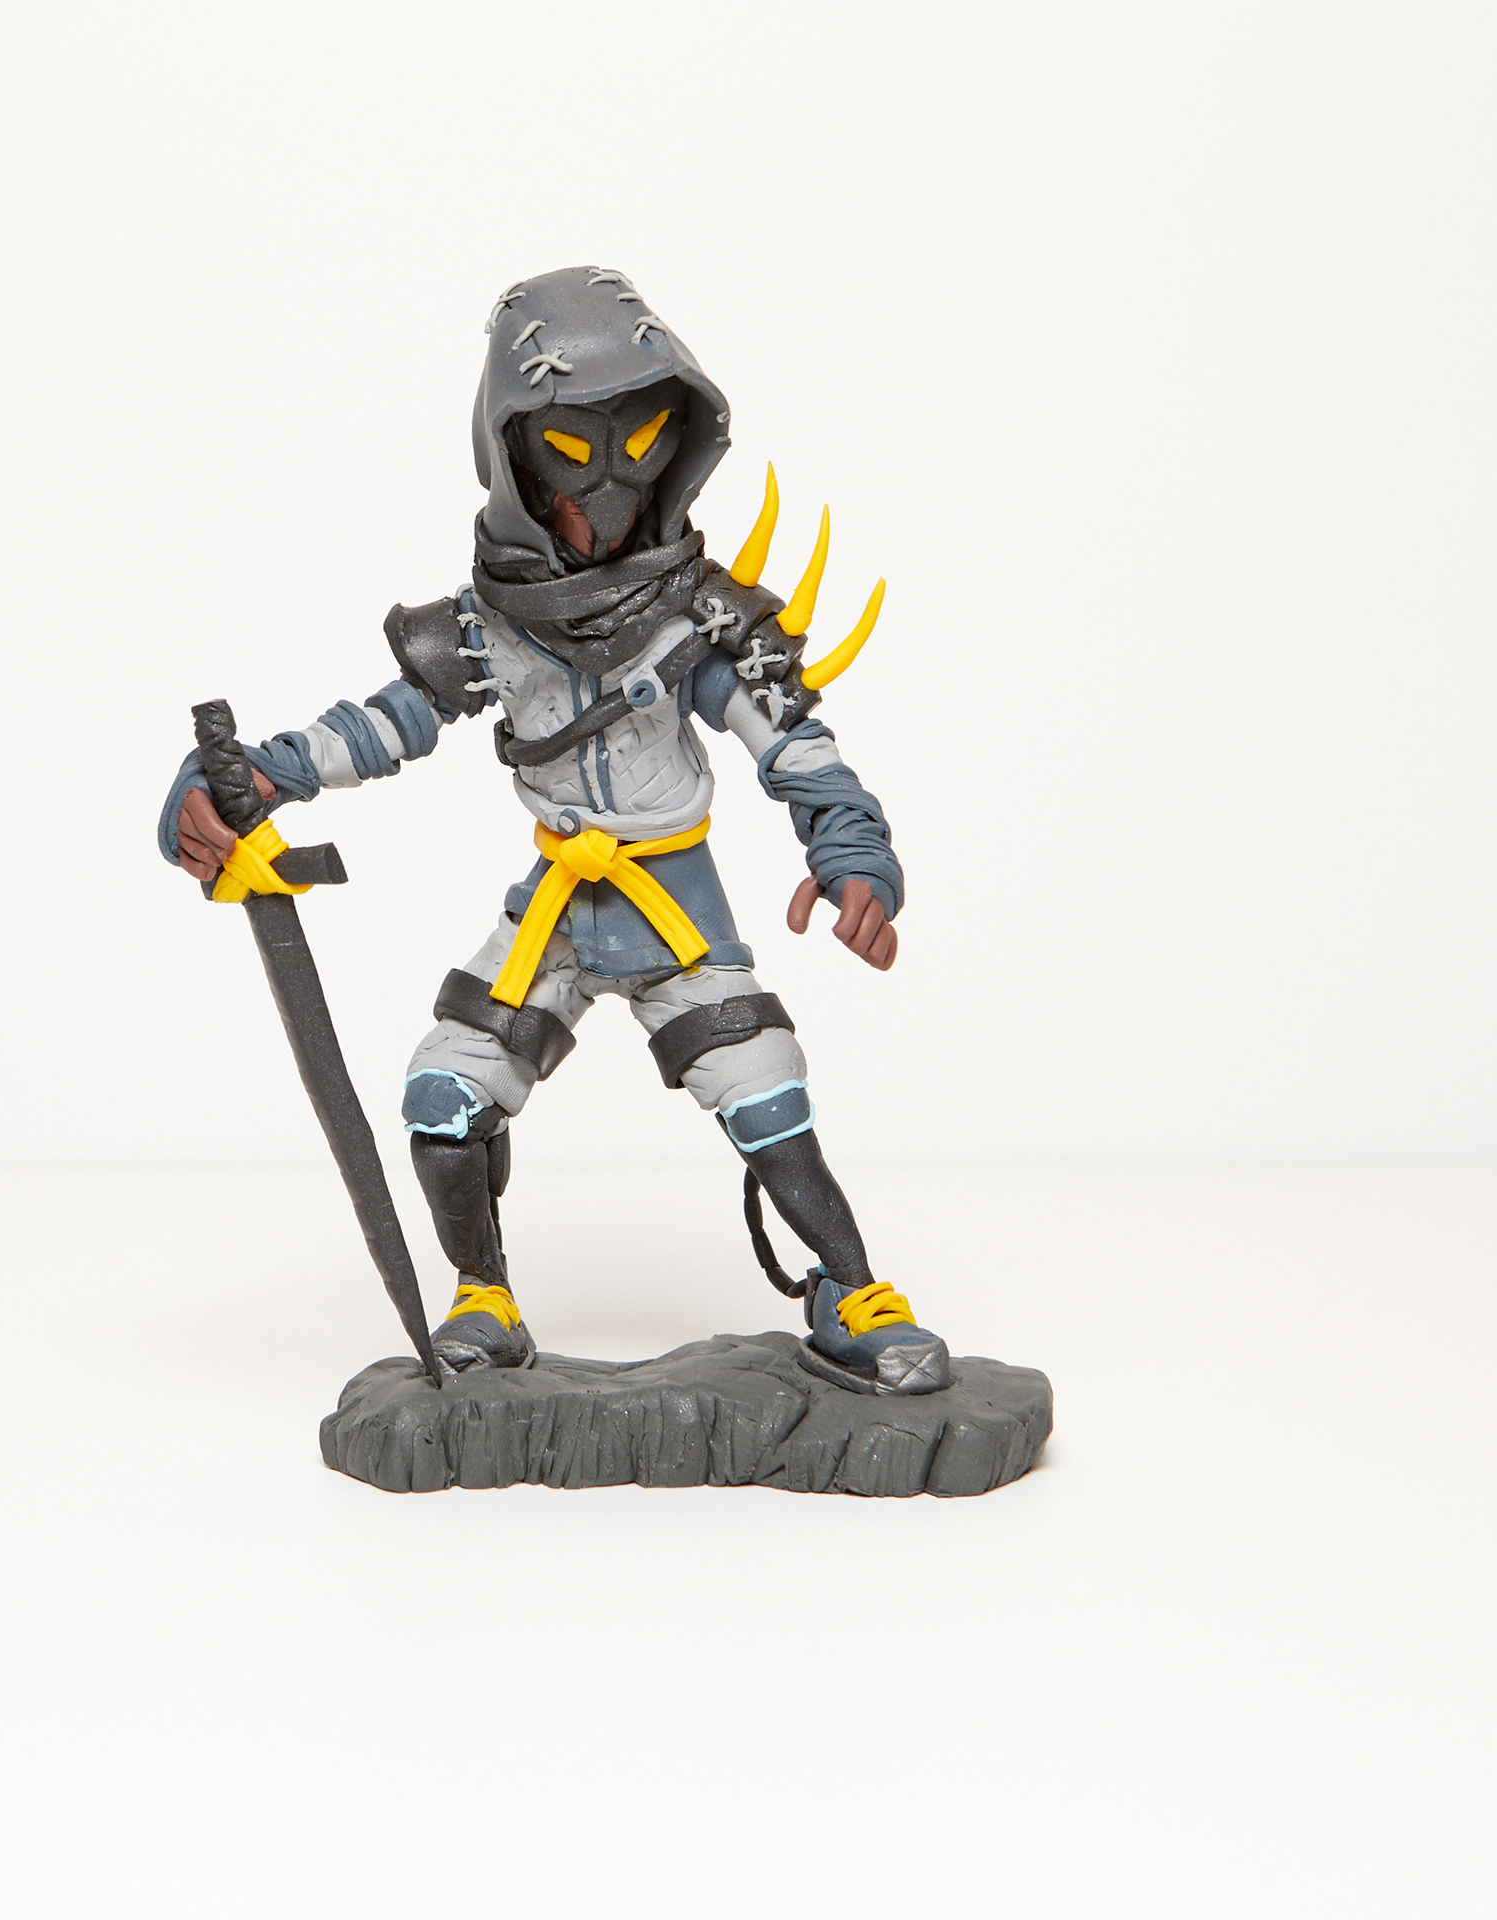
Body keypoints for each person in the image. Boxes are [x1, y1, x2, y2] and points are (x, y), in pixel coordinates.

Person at [159, 267, 949, 1396]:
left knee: (769, 1100)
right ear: (520, 466)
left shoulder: (702, 618)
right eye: (576, 462)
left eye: (640, 455)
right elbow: (382, 726)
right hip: (557, 916)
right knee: (445, 1097)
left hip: (676, 910)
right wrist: (256, 777)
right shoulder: (488, 628)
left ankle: (853, 1294)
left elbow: (796, 746)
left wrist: (851, 852)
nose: (609, 502)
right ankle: (483, 1300)